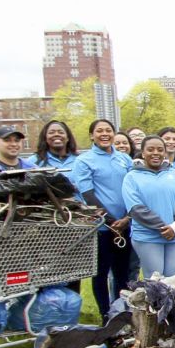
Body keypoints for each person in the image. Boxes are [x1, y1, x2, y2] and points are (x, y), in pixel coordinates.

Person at [73, 119, 133, 321]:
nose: (104, 134)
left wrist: (126, 218)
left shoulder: (124, 159)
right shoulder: (84, 161)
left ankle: (121, 311)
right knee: (100, 273)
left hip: (125, 226)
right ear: (92, 135)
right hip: (101, 227)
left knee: (122, 273)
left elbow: (134, 188)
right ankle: (105, 313)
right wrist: (110, 220)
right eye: (99, 131)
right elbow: (87, 194)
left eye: (108, 130)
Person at [122, 136, 175, 278]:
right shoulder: (131, 177)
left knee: (173, 280)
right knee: (154, 280)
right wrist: (163, 227)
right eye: (150, 149)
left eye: (160, 150)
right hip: (147, 236)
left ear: (165, 153)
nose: (155, 153)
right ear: (143, 153)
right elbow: (136, 209)